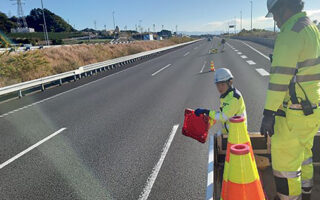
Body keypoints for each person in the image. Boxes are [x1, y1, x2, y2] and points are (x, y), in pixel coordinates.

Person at [260, 0, 320, 199]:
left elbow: (279, 80)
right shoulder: (312, 28)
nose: (275, 20)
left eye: (275, 13)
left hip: (293, 113)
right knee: (304, 154)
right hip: (312, 109)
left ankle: (288, 197)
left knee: (285, 166)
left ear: (285, 7)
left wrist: (268, 113)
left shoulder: (289, 33)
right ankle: (307, 190)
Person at [195, 68, 246, 135]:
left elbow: (223, 117)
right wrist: (210, 116)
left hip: (238, 134)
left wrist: (206, 111)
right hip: (231, 130)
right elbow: (225, 112)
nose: (220, 88)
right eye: (218, 85)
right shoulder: (226, 96)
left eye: (222, 84)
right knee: (215, 137)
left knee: (215, 139)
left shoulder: (234, 98)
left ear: (230, 82)